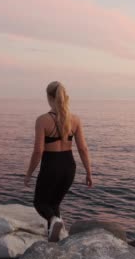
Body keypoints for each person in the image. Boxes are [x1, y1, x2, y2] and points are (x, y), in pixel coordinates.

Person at [24, 81, 93, 242]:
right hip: (69, 166)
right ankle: (54, 239)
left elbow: (38, 151)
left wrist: (28, 174)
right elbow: (83, 149)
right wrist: (89, 172)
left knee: (40, 203)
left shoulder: (42, 120)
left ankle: (55, 221)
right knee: (54, 203)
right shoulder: (75, 120)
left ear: (49, 97)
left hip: (51, 165)